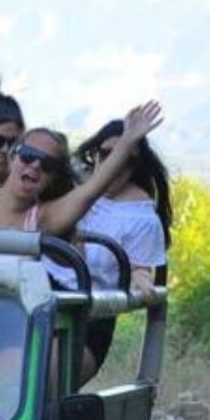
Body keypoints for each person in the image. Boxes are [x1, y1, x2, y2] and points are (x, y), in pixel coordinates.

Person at [0, 101, 165, 243]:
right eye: (29, 155)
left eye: (47, 164)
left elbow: (90, 190)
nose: (35, 165)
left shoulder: (43, 218)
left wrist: (127, 142)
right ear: (13, 157)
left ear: (52, 179)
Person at [71, 117, 173, 381]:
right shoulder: (70, 188)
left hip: (87, 322)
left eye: (126, 158)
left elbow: (141, 270)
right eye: (107, 154)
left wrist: (141, 279)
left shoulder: (141, 219)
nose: (115, 164)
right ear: (94, 154)